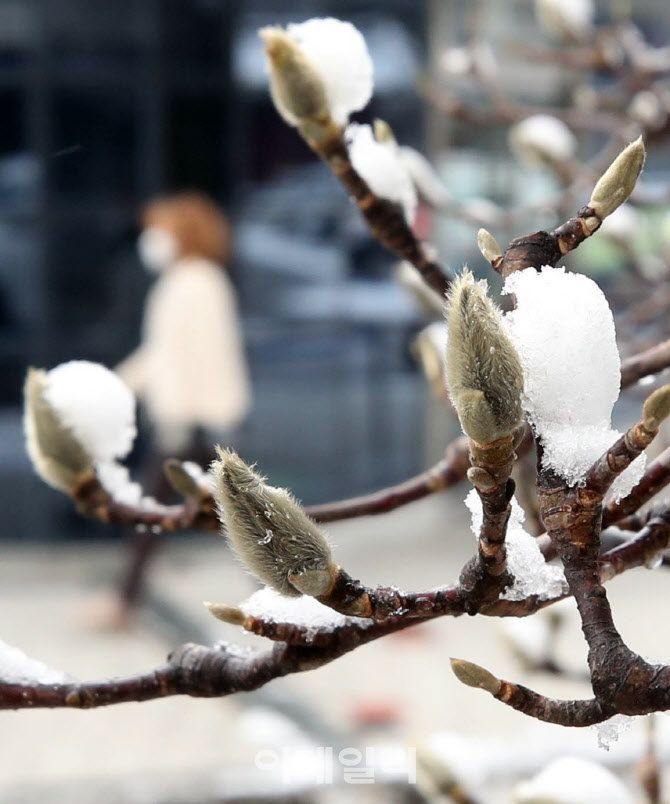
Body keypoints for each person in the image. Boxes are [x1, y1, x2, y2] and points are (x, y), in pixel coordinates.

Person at [96, 192, 252, 627]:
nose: (152, 239)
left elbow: (202, 358)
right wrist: (113, 387)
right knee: (234, 518)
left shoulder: (198, 281)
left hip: (195, 423)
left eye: (159, 230)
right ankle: (284, 601)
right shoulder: (186, 280)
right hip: (192, 421)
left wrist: (183, 417)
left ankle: (124, 603)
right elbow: (161, 354)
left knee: (163, 515)